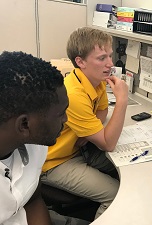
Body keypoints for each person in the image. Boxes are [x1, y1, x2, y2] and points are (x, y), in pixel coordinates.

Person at [41, 27, 129, 219]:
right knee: (115, 194)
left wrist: (87, 132)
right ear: (80, 62)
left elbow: (102, 110)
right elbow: (108, 143)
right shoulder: (74, 93)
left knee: (129, 170)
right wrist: (122, 100)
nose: (110, 64)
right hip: (55, 162)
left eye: (110, 56)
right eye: (101, 58)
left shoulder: (94, 80)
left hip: (78, 150)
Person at [0, 51, 89, 225]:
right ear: (25, 125)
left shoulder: (36, 144)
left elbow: (33, 199)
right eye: (61, 114)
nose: (66, 120)